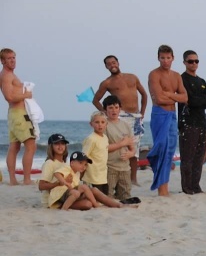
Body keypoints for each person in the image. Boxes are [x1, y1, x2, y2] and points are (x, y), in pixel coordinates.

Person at [92, 55, 148, 185]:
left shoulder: (132, 77)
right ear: (106, 67)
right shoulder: (107, 83)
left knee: (134, 148)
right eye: (109, 64)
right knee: (120, 147)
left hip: (136, 117)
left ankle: (133, 179)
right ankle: (116, 176)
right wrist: (105, 113)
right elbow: (95, 100)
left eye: (113, 62)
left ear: (118, 62)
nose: (112, 65)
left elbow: (144, 94)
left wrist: (143, 112)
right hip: (121, 116)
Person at [38, 136, 135, 209]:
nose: (60, 146)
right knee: (86, 194)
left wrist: (83, 169)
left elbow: (75, 182)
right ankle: (105, 205)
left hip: (69, 195)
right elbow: (41, 186)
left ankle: (118, 205)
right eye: (57, 144)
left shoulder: (66, 164)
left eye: (62, 144)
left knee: (89, 201)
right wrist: (59, 183)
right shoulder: (50, 163)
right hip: (55, 200)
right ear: (51, 146)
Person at [147, 45, 187, 196]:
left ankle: (165, 189)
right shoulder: (154, 74)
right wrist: (175, 97)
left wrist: (169, 95)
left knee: (169, 150)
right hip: (159, 114)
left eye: (168, 58)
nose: (165, 61)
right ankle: (161, 190)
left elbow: (185, 97)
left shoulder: (176, 76)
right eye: (162, 58)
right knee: (161, 149)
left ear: (173, 58)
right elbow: (159, 99)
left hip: (172, 115)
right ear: (158, 58)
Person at [179, 50, 206, 195]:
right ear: (184, 62)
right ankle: (187, 187)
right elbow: (188, 100)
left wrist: (197, 101)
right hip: (188, 122)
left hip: (202, 122)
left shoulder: (202, 81)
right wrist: (198, 101)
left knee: (199, 156)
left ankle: (196, 186)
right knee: (188, 157)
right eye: (190, 61)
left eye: (196, 61)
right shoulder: (182, 79)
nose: (194, 64)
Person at [1, 48, 36, 185]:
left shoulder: (9, 75)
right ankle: (26, 179)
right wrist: (26, 95)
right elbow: (9, 97)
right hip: (18, 114)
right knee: (31, 145)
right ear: (3, 61)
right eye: (9, 58)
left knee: (14, 146)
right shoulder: (6, 76)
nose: (12, 60)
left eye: (14, 57)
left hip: (14, 114)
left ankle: (13, 180)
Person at [102, 95, 136, 200]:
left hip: (125, 168)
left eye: (116, 107)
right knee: (108, 196)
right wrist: (121, 144)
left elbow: (132, 147)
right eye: (110, 108)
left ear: (120, 109)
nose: (114, 110)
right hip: (110, 167)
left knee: (125, 196)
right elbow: (103, 148)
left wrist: (131, 154)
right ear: (105, 110)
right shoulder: (104, 125)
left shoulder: (126, 125)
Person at [82, 111, 110, 194]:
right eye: (97, 122)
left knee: (104, 196)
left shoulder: (105, 138)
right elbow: (84, 156)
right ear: (91, 124)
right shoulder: (91, 139)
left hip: (103, 175)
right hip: (92, 176)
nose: (100, 125)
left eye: (103, 122)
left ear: (106, 124)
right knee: (95, 197)